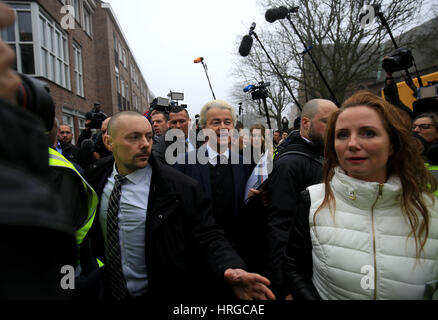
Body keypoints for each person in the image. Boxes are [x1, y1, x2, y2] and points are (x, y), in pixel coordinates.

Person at [84, 111, 275, 301]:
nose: (145, 144)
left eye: (149, 137)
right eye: (134, 137)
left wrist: (230, 266)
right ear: (109, 142)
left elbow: (207, 234)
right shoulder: (92, 179)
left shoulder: (180, 187)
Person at [283, 91, 438, 300]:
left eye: (368, 133)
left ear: (392, 144)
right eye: (342, 135)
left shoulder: (431, 209)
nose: (352, 144)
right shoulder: (312, 201)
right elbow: (295, 269)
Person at [174, 100, 254, 298]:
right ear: (203, 128)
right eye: (215, 122)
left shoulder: (246, 165)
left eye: (227, 122)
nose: (223, 128)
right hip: (197, 262)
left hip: (237, 259)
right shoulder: (184, 164)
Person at [266, 98, 338, 298]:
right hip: (303, 271)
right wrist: (285, 285)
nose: (335, 128)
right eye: (327, 122)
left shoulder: (332, 154)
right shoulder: (289, 164)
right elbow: (280, 223)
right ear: (306, 123)